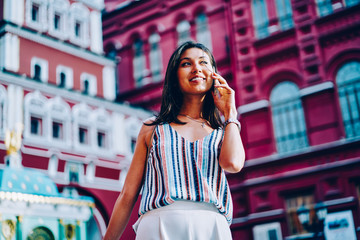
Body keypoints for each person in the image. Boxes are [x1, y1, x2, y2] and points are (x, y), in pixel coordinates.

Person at [103, 41, 245, 240]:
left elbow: (233, 164)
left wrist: (230, 113)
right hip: (158, 225)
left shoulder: (224, 131)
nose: (196, 68)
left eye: (203, 62)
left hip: (212, 227)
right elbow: (128, 194)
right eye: (186, 63)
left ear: (215, 74)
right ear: (174, 75)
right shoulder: (152, 128)